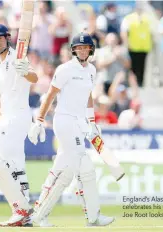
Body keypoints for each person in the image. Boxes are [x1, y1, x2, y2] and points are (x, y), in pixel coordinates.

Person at [28, 32, 115, 227]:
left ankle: (40, 214)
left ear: (91, 50)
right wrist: (39, 121)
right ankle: (91, 217)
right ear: (73, 50)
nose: (83, 50)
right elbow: (50, 94)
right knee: (83, 166)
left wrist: (92, 122)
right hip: (64, 122)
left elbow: (88, 96)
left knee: (61, 168)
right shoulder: (65, 69)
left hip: (79, 123)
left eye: (86, 48)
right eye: (79, 48)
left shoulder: (91, 70)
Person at [0, 24, 38, 227]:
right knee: (16, 166)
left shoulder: (17, 57)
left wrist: (25, 72)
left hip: (19, 116)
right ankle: (26, 217)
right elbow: (1, 97)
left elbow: (35, 77)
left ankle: (19, 209)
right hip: (6, 118)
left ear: (7, 38)